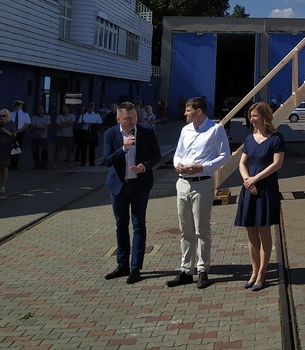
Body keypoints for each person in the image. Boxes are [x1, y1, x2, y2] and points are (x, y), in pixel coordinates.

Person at [166, 96, 230, 290]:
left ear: (199, 111)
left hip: (202, 182)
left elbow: (225, 155)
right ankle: (186, 269)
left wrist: (202, 167)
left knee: (201, 228)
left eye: (188, 110)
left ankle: (203, 269)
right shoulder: (185, 130)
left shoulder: (215, 129)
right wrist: (178, 164)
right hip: (183, 183)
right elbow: (178, 152)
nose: (185, 113)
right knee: (185, 228)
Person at [99, 102, 162, 284]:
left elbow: (157, 156)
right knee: (121, 225)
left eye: (134, 117)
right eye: (127, 119)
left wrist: (145, 167)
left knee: (138, 225)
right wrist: (123, 149)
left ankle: (135, 268)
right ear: (119, 118)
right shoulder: (110, 134)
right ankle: (122, 265)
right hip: (118, 187)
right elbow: (106, 161)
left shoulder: (147, 131)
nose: (131, 121)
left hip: (140, 186)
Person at [234, 102, 285, 291]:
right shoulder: (249, 139)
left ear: (264, 117)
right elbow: (242, 163)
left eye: (255, 115)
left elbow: (277, 164)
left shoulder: (276, 138)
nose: (251, 119)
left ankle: (262, 274)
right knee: (251, 233)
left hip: (266, 188)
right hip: (249, 188)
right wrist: (248, 180)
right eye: (250, 115)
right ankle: (254, 271)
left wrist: (256, 178)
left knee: (264, 231)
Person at [0, 109, 17, 194]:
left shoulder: (12, 124)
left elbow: (14, 136)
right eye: (0, 116)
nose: (1, 118)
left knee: (4, 166)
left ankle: (3, 186)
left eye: (3, 116)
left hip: (7, 147)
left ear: (7, 116)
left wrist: (5, 131)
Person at [9, 100, 31, 169]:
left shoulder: (25, 114)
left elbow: (27, 123)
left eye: (19, 105)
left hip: (20, 132)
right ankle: (9, 163)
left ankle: (14, 165)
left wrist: (20, 130)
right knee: (10, 147)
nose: (17, 107)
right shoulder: (11, 114)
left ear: (21, 106)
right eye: (16, 105)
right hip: (12, 132)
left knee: (17, 148)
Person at [30, 105, 51, 169]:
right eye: (39, 109)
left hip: (43, 137)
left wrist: (37, 127)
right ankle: (37, 165)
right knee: (35, 151)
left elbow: (46, 127)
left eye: (41, 109)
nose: (40, 110)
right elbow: (33, 127)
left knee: (44, 151)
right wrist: (41, 127)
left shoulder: (47, 117)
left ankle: (44, 165)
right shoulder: (33, 118)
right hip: (35, 137)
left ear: (43, 110)